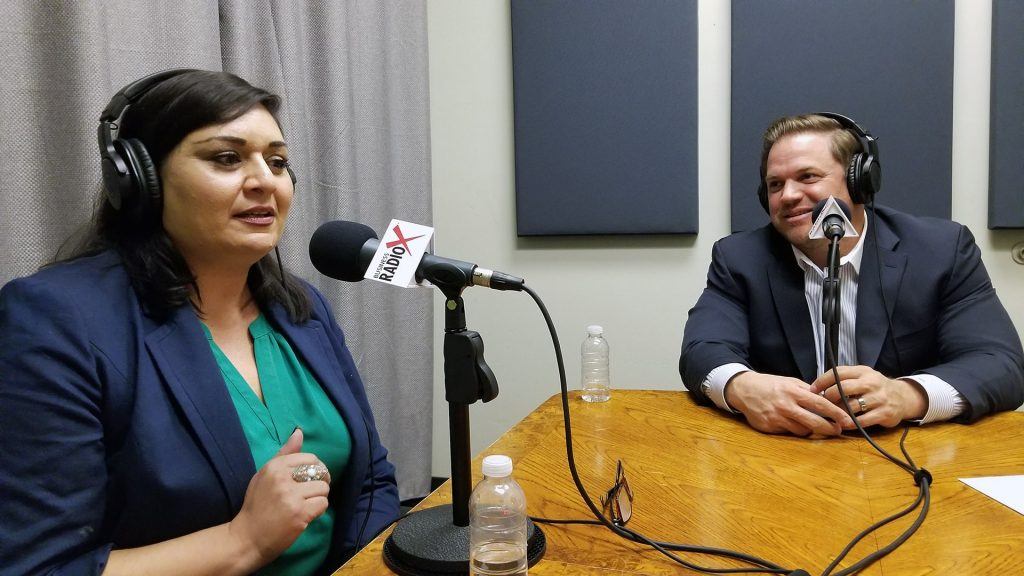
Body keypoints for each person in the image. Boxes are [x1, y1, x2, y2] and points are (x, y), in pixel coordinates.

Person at [0, 70, 400, 575]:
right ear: (139, 179)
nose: (264, 181)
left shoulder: (303, 308)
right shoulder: (56, 320)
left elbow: (370, 481)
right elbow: (37, 568)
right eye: (227, 158)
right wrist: (244, 541)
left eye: (277, 162)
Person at [680, 113, 1024, 437]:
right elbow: (702, 349)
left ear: (861, 182)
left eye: (807, 177)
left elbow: (1002, 365)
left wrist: (906, 396)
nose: (788, 196)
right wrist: (742, 387)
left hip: (908, 453)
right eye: (774, 184)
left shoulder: (942, 250)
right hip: (784, 456)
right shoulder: (739, 258)